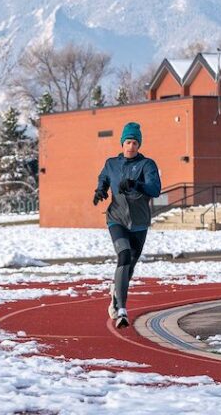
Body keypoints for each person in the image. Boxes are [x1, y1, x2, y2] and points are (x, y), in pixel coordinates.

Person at [93, 122, 161, 329]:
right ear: (122, 143)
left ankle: (116, 292)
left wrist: (135, 184)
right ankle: (121, 309)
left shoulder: (147, 165)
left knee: (129, 265)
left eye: (134, 142)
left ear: (139, 145)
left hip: (139, 223)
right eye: (128, 142)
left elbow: (155, 189)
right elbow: (104, 177)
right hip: (116, 219)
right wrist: (100, 190)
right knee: (123, 255)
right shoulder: (112, 163)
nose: (131, 146)